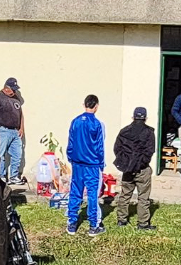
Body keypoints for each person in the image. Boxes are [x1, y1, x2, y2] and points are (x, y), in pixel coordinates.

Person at [66, 94, 106, 236]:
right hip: (92, 164)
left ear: (84, 104)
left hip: (77, 163)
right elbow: (100, 146)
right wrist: (101, 163)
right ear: (96, 106)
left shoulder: (75, 122)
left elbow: (70, 142)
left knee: (75, 191)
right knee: (92, 194)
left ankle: (72, 222)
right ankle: (93, 225)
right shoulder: (97, 124)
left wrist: (70, 157)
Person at [112, 106, 156, 231]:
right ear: (146, 118)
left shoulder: (124, 131)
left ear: (133, 117)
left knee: (125, 194)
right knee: (143, 197)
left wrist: (125, 163)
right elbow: (150, 151)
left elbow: (117, 149)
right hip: (142, 169)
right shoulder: (149, 132)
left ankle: (122, 220)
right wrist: (140, 163)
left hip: (127, 169)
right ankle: (143, 223)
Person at [0, 78, 25, 186]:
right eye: (13, 89)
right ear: (6, 88)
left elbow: (21, 114)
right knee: (1, 154)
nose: (14, 92)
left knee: (17, 154)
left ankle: (14, 176)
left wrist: (21, 128)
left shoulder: (16, 98)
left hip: (15, 131)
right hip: (3, 130)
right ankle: (1, 176)